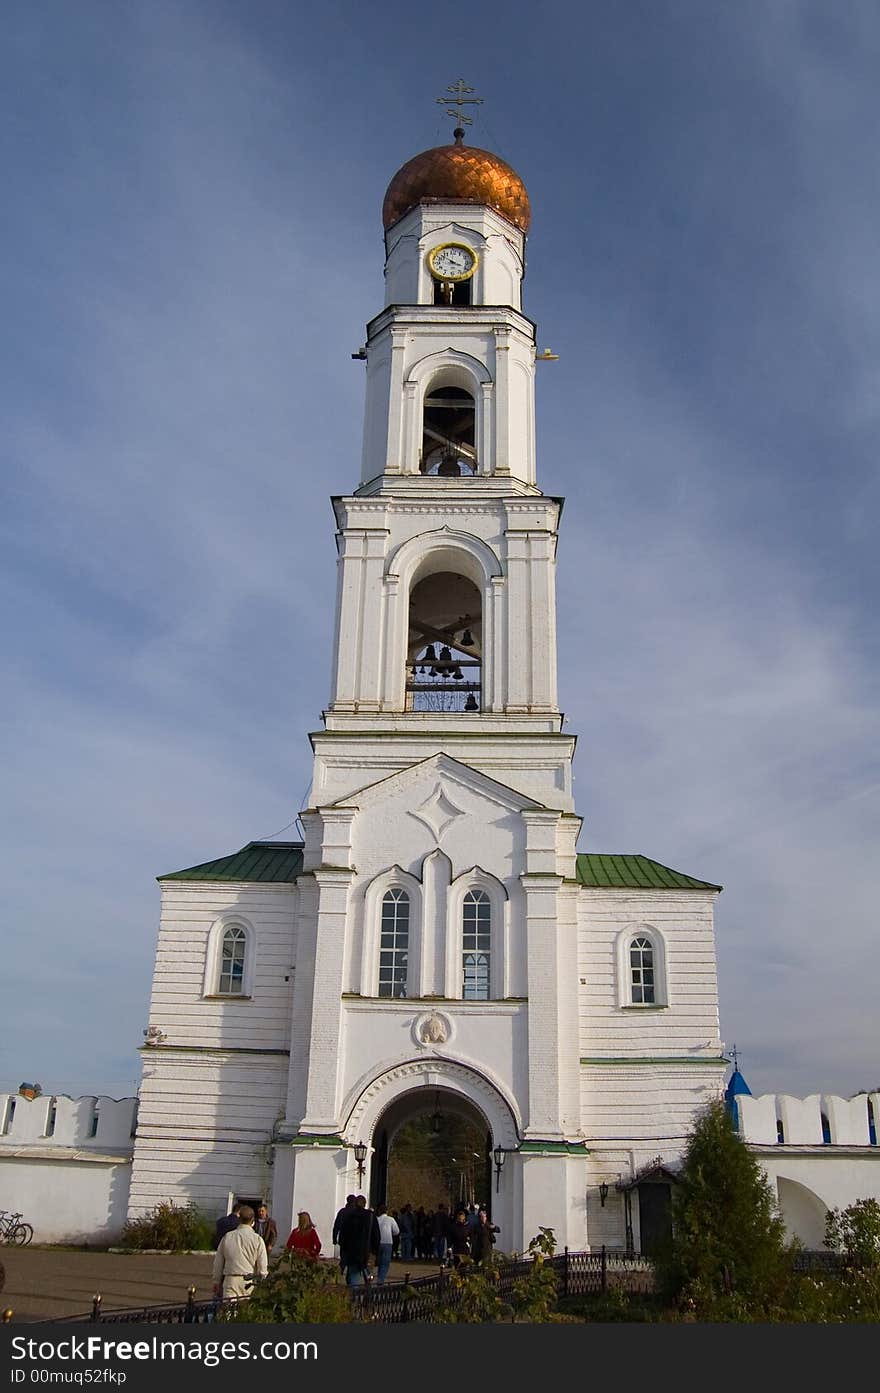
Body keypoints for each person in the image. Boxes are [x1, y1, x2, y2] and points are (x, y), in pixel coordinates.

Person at [212, 1204, 268, 1300]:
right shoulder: (257, 1239)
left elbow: (218, 1262)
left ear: (239, 1219)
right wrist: (262, 1280)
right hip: (248, 1281)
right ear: (253, 1221)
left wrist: (216, 1281)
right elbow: (262, 1265)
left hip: (230, 1279)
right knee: (245, 1312)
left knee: (229, 1312)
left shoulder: (227, 1237)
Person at [337, 1194, 379, 1287]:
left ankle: (354, 1297)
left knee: (353, 1277)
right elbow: (376, 1235)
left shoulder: (349, 1216)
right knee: (368, 1277)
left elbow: (343, 1235)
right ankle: (367, 1297)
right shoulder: (371, 1217)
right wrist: (375, 1251)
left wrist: (344, 1249)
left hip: (352, 1252)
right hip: (367, 1252)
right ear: (365, 1204)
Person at [374, 1204, 399, 1283]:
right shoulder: (390, 1219)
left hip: (377, 1242)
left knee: (377, 1260)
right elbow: (396, 1231)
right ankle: (380, 1279)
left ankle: (372, 1277)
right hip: (387, 1242)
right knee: (385, 1262)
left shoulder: (376, 1219)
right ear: (387, 1211)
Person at [332, 1194, 358, 1271]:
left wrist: (334, 1238)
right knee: (352, 1259)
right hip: (354, 1239)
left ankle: (340, 1272)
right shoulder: (356, 1212)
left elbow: (336, 1226)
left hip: (343, 1238)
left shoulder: (342, 1211)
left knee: (343, 1258)